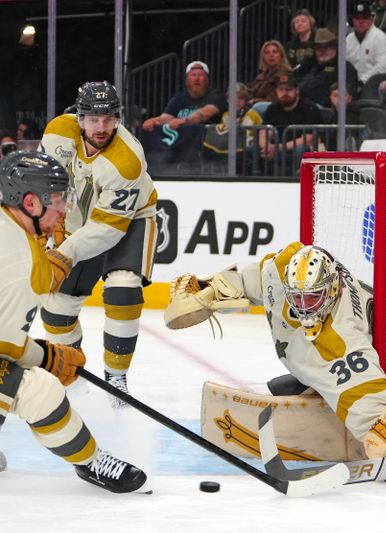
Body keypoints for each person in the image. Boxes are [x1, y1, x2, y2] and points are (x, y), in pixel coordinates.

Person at [163, 242, 386, 485]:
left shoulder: (341, 338)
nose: (304, 307)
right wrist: (207, 288)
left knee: (355, 399)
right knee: (285, 385)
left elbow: (364, 395)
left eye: (312, 298)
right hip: (372, 333)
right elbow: (248, 278)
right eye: (296, 297)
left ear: (331, 289)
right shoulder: (282, 270)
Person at [0, 150, 148, 493]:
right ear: (31, 204)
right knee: (38, 389)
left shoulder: (14, 233)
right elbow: (6, 351)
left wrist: (44, 354)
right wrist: (46, 359)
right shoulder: (19, 262)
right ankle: (92, 461)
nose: (64, 210)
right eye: (56, 200)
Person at [40, 82, 158, 407]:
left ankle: (116, 379)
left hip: (130, 220)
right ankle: (73, 374)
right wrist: (46, 235)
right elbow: (47, 190)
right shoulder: (57, 135)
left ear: (118, 118)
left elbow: (108, 230)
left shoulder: (128, 160)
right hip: (80, 222)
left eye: (108, 118)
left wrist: (63, 252)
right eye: (93, 119)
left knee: (123, 288)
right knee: (56, 309)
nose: (101, 127)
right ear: (79, 118)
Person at [141, 61, 228, 173]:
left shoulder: (216, 96)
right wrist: (153, 121)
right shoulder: (179, 98)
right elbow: (166, 117)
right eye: (193, 75)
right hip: (180, 145)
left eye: (201, 75)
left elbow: (204, 113)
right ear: (187, 79)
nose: (196, 79)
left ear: (207, 79)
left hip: (206, 146)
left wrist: (184, 120)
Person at [258, 73, 322, 175]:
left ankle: (298, 180)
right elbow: (265, 130)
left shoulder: (309, 108)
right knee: (251, 148)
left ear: (297, 90)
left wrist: (277, 147)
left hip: (294, 149)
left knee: (301, 149)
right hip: (276, 149)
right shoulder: (272, 108)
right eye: (281, 89)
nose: (285, 93)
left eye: (289, 89)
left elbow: (309, 138)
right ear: (276, 91)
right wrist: (265, 145)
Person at [296, 28, 360, 109]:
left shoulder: (345, 68)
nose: (323, 50)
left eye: (327, 47)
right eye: (319, 47)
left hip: (327, 112)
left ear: (335, 48)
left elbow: (348, 96)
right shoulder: (306, 66)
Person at [345, 3, 386, 85]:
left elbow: (383, 68)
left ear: (371, 20)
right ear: (352, 21)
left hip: (374, 85)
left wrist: (362, 81)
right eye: (357, 18)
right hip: (351, 84)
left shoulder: (380, 38)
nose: (361, 22)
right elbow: (344, 64)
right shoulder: (348, 39)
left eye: (364, 18)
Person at [246, 40, 292, 113]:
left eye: (275, 52)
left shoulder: (285, 74)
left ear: (281, 55)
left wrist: (255, 100)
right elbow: (249, 91)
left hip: (276, 110)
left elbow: (279, 98)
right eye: (267, 53)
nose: (271, 55)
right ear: (263, 57)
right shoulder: (262, 76)